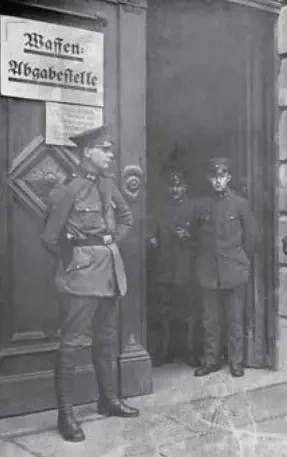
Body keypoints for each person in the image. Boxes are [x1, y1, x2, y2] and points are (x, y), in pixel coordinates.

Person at [40, 125, 139, 442]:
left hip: (110, 273)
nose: (111, 155)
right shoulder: (68, 190)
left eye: (111, 149)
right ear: (88, 152)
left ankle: (108, 400)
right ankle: (65, 415)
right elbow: (49, 238)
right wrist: (75, 258)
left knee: (107, 340)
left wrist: (109, 241)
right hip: (81, 276)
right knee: (70, 345)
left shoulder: (108, 184)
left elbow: (127, 219)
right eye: (105, 149)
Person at [192, 157, 259, 378]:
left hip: (234, 270)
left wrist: (241, 260)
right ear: (208, 178)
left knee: (235, 319)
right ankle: (211, 360)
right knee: (210, 320)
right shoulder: (201, 205)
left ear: (229, 177)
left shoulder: (240, 204)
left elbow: (251, 237)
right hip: (208, 271)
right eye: (214, 176)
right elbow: (195, 237)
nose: (218, 181)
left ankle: (235, 362)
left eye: (222, 176)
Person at [147, 166, 196, 367]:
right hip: (164, 269)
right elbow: (149, 232)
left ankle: (190, 352)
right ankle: (163, 352)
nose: (175, 190)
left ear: (186, 187)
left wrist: (188, 237)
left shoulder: (193, 209)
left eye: (179, 186)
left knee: (187, 314)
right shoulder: (158, 209)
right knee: (162, 314)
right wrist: (151, 238)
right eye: (172, 186)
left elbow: (202, 239)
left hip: (186, 270)